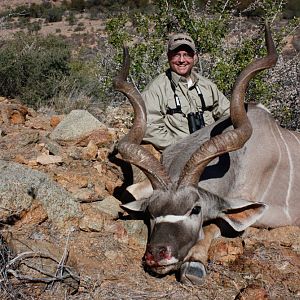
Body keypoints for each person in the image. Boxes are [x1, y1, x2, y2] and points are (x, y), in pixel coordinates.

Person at [142, 33, 230, 151]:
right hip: (179, 153)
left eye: (187, 55)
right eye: (176, 55)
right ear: (168, 57)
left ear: (194, 57)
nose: (182, 60)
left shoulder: (208, 86)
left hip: (212, 149)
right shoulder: (155, 88)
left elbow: (228, 114)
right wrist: (178, 147)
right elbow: (150, 127)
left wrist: (219, 141)